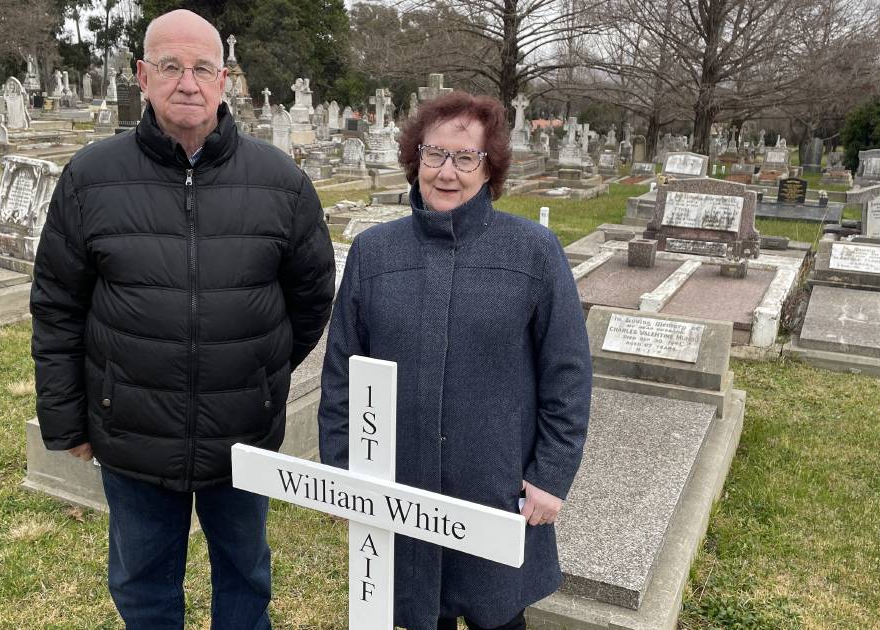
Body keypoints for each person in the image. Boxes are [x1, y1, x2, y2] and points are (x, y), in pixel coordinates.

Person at [30, 9, 335, 628]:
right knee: (144, 586)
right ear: (143, 76)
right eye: (171, 66)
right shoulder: (91, 178)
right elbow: (58, 308)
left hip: (242, 435)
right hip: (133, 431)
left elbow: (310, 299)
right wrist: (69, 421)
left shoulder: (281, 183)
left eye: (202, 68)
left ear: (225, 79)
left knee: (246, 580)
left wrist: (260, 376)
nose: (187, 82)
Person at [317, 91, 593, 630]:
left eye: (466, 157)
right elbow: (342, 367)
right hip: (402, 488)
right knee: (418, 612)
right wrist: (342, 466)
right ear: (414, 158)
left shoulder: (533, 252)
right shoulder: (375, 253)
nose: (448, 172)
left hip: (496, 484)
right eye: (434, 154)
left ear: (490, 168)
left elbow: (568, 371)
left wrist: (551, 475)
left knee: (498, 614)